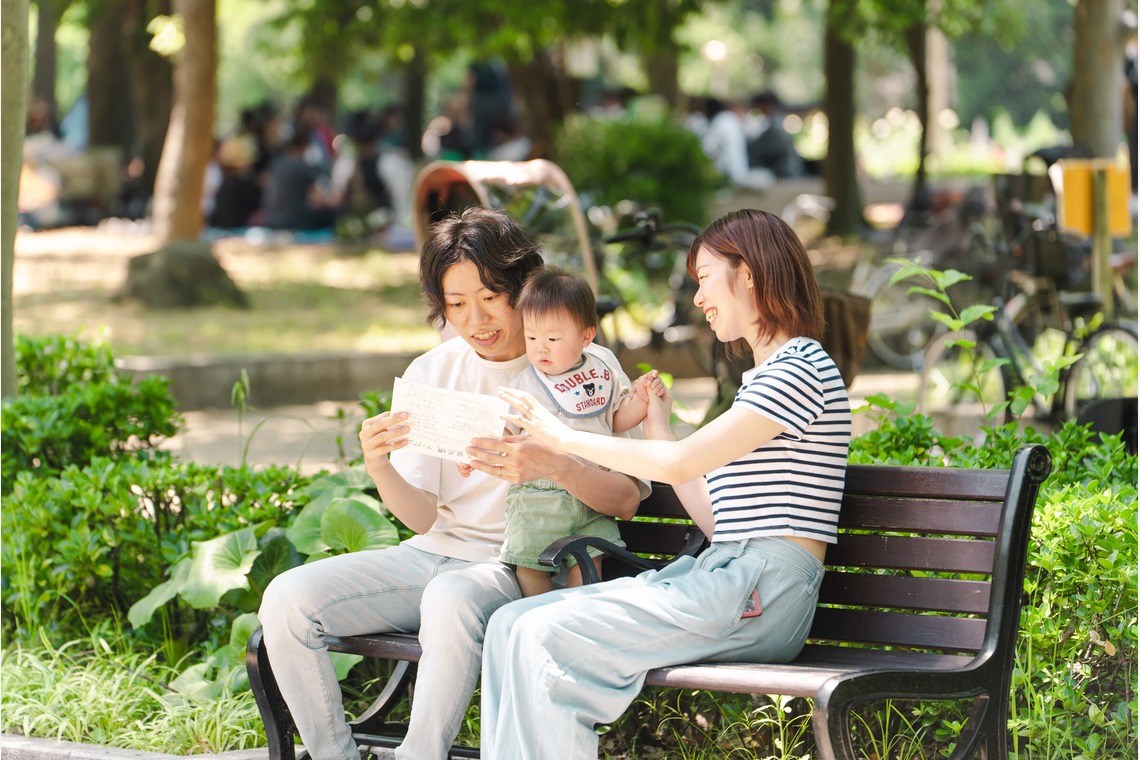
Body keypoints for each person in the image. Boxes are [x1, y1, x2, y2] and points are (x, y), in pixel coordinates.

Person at [257, 206, 644, 760]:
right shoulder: (432, 373)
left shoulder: (584, 368)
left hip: (521, 565)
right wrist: (380, 466)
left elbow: (626, 500)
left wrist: (553, 464)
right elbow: (422, 519)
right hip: (432, 556)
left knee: (451, 594)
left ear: (525, 287)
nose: (476, 319)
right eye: (457, 304)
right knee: (288, 599)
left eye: (491, 296)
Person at [479, 208, 853, 759]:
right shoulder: (766, 379)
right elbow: (720, 522)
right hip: (728, 573)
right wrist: (656, 425)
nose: (698, 298)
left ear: (748, 274)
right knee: (512, 622)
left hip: (762, 589)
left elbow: (679, 464)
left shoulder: (800, 367)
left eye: (705, 278)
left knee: (543, 635)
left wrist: (561, 438)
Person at [484, 268, 666, 597]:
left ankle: (578, 612)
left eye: (553, 340)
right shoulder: (525, 384)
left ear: (586, 336)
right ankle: (535, 611)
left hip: (593, 491)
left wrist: (640, 399)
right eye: (531, 338)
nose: (540, 349)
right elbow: (505, 433)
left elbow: (616, 420)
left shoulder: (601, 370)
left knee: (589, 562)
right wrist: (481, 453)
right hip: (540, 496)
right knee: (530, 564)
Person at [747, 90, 805, 179]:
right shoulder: (780, 120)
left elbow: (760, 148)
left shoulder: (776, 125)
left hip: (785, 172)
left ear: (765, 105)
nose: (759, 110)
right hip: (790, 169)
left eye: (759, 106)